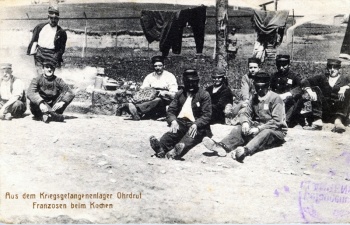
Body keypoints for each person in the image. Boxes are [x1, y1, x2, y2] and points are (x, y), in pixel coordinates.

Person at [203, 71, 287, 163]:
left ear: (268, 86)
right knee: (239, 128)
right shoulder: (254, 97)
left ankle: (245, 151)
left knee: (266, 132)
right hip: (258, 128)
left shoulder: (275, 98)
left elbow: (277, 121)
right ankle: (221, 146)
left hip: (275, 131)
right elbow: (245, 113)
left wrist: (259, 128)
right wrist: (245, 123)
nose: (259, 90)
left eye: (262, 87)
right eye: (257, 87)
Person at [149, 69, 212, 159]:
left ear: (197, 82)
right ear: (184, 82)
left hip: (196, 125)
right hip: (181, 122)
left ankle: (174, 153)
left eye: (193, 82)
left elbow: (207, 115)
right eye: (188, 82)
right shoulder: (179, 94)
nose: (190, 85)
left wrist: (196, 124)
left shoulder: (204, 95)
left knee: (187, 140)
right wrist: (173, 121)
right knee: (167, 137)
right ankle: (161, 150)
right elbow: (171, 110)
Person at [116, 56, 178, 120]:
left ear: (164, 66)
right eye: (155, 66)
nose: (158, 68)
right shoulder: (149, 76)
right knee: (144, 98)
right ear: (153, 67)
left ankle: (136, 110)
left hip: (165, 99)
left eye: (160, 66)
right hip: (151, 96)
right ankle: (134, 110)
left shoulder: (170, 76)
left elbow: (174, 92)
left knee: (158, 100)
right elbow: (143, 89)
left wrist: (165, 93)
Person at [301, 59, 350, 133]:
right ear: (327, 68)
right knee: (315, 88)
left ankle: (338, 121)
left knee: (347, 90)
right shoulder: (322, 77)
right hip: (324, 111)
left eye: (335, 67)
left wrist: (345, 87)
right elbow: (305, 81)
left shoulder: (344, 79)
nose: (332, 70)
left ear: (339, 69)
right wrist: (309, 90)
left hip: (338, 110)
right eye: (330, 67)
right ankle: (317, 121)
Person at [27, 6, 67, 74]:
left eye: (56, 19)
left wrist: (56, 56)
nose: (53, 20)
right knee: (40, 73)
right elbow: (34, 40)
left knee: (55, 74)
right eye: (51, 18)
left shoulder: (61, 32)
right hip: (40, 53)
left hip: (53, 53)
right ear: (48, 18)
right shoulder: (40, 27)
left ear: (58, 19)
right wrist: (34, 52)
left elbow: (62, 48)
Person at [270, 54, 305, 128]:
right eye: (279, 65)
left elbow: (301, 87)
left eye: (284, 65)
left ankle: (285, 121)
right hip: (277, 102)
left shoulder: (294, 76)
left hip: (290, 102)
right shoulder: (274, 76)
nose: (281, 67)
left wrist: (288, 94)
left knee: (291, 101)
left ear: (289, 65)